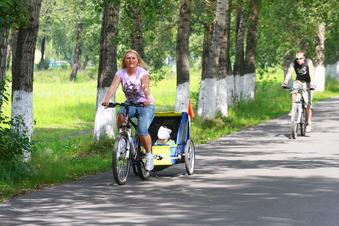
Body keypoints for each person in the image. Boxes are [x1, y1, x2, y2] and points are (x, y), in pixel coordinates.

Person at [102, 50, 155, 171]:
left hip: (145, 105)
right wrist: (107, 99)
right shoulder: (121, 73)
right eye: (128, 58)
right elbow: (113, 87)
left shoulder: (143, 73)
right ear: (125, 61)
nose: (131, 60)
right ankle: (123, 140)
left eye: (133, 58)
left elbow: (145, 86)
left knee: (142, 131)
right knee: (121, 116)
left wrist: (147, 98)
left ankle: (149, 156)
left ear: (138, 60)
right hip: (130, 104)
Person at [281, 50, 316, 132]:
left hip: (308, 82)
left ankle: (309, 123)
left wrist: (313, 85)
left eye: (300, 58)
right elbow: (289, 72)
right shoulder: (293, 63)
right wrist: (285, 83)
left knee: (308, 103)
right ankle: (293, 109)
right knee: (294, 91)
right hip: (299, 81)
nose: (298, 60)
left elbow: (311, 73)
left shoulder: (308, 62)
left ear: (303, 57)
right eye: (297, 59)